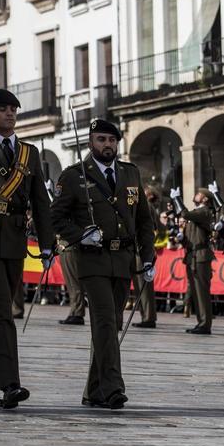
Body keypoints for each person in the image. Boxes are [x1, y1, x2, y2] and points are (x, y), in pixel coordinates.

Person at [49, 118, 156, 410]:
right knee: (106, 321)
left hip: (123, 260)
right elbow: (55, 217)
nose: (107, 145)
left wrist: (148, 256)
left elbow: (144, 220)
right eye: (101, 140)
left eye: (111, 140)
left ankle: (93, 391)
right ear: (90, 142)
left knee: (113, 323)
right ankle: (113, 388)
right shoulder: (74, 176)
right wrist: (80, 235)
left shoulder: (130, 174)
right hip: (93, 260)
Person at [0, 89, 54, 409]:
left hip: (15, 240)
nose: (10, 114)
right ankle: (10, 384)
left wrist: (47, 245)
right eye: (3, 109)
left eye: (14, 109)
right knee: (3, 311)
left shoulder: (28, 153)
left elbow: (41, 204)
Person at [171, 185, 218, 334]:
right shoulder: (197, 212)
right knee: (196, 292)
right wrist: (182, 239)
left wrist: (177, 199)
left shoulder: (204, 212)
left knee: (202, 291)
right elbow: (192, 234)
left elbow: (184, 214)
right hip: (192, 256)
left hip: (201, 256)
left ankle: (205, 324)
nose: (195, 195)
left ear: (204, 198)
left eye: (198, 194)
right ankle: (200, 322)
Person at [131, 186, 163, 329]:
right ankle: (145, 316)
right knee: (139, 286)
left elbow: (149, 228)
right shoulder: (145, 206)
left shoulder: (147, 206)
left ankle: (149, 317)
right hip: (137, 249)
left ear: (149, 195)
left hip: (142, 249)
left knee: (144, 286)